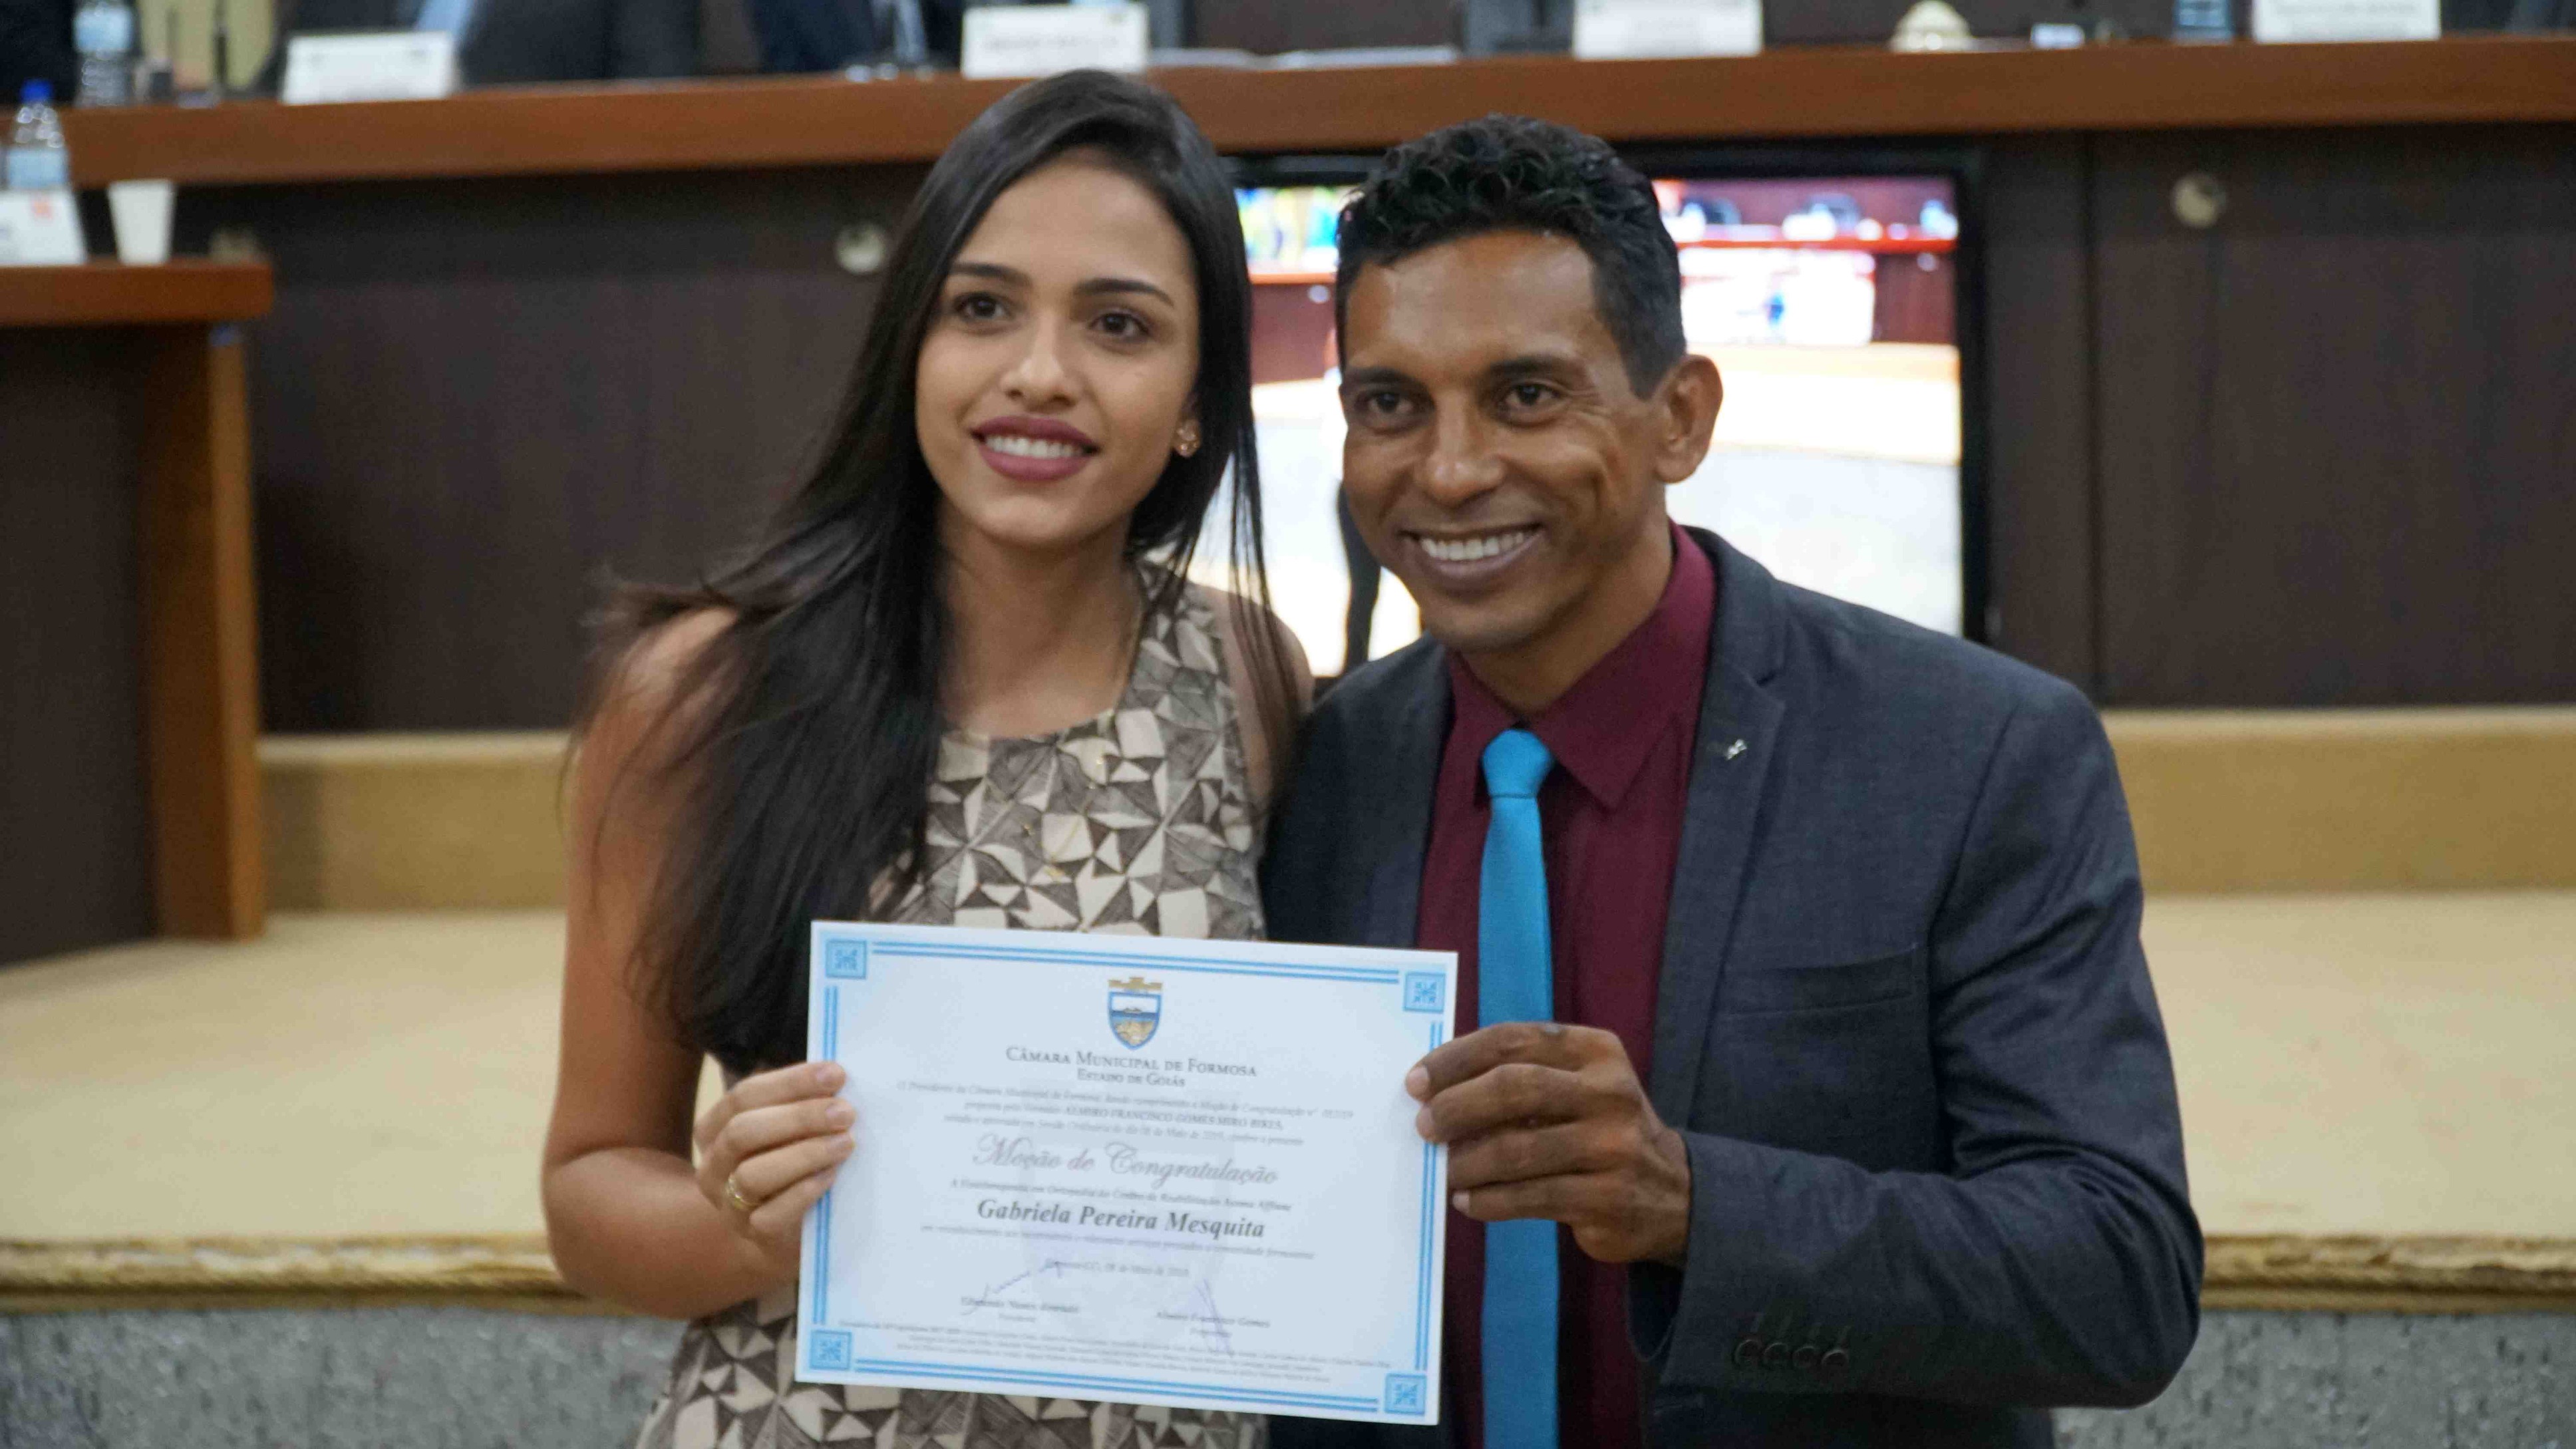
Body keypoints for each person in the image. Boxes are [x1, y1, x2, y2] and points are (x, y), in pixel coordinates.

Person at [1262, 116, 2199, 1448]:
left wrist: (1693, 1205)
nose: (1451, 470)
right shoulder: (1308, 766)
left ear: (1681, 419)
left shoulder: (1976, 754)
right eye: (1389, 405)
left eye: (1526, 395)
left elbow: (2119, 1282)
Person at [544, 69, 1305, 1449]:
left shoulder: (1248, 671)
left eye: (1119, 324)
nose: (1040, 373)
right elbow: (590, 1191)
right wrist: (752, 1228)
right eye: (983, 308)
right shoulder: (703, 695)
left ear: (1199, 396)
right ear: (911, 345)